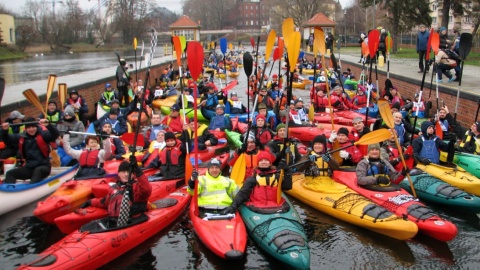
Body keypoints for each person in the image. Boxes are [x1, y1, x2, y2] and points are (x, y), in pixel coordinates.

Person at [80, 156, 152, 226]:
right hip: (115, 221)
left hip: (133, 221)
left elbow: (146, 190)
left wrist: (138, 170)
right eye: (123, 172)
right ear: (119, 173)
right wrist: (90, 202)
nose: (126, 174)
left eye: (129, 172)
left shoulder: (137, 187)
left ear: (133, 174)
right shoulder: (114, 188)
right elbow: (104, 202)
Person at [221, 151, 292, 214]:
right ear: (258, 163)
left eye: (266, 160)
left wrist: (287, 172)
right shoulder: (253, 178)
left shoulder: (277, 176)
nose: (264, 162)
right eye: (261, 161)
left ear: (270, 163)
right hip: (257, 205)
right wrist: (233, 207)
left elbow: (287, 187)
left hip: (277, 205)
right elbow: (243, 193)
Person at [1, 117, 59, 184]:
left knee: (38, 170)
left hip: (44, 167)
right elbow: (8, 140)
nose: (31, 129)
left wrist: (49, 125)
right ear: (26, 128)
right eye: (29, 128)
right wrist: (4, 131)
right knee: (10, 173)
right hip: (30, 168)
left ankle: (31, 188)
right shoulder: (22, 137)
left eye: (33, 127)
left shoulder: (43, 134)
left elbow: (55, 135)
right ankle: (10, 190)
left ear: (36, 127)